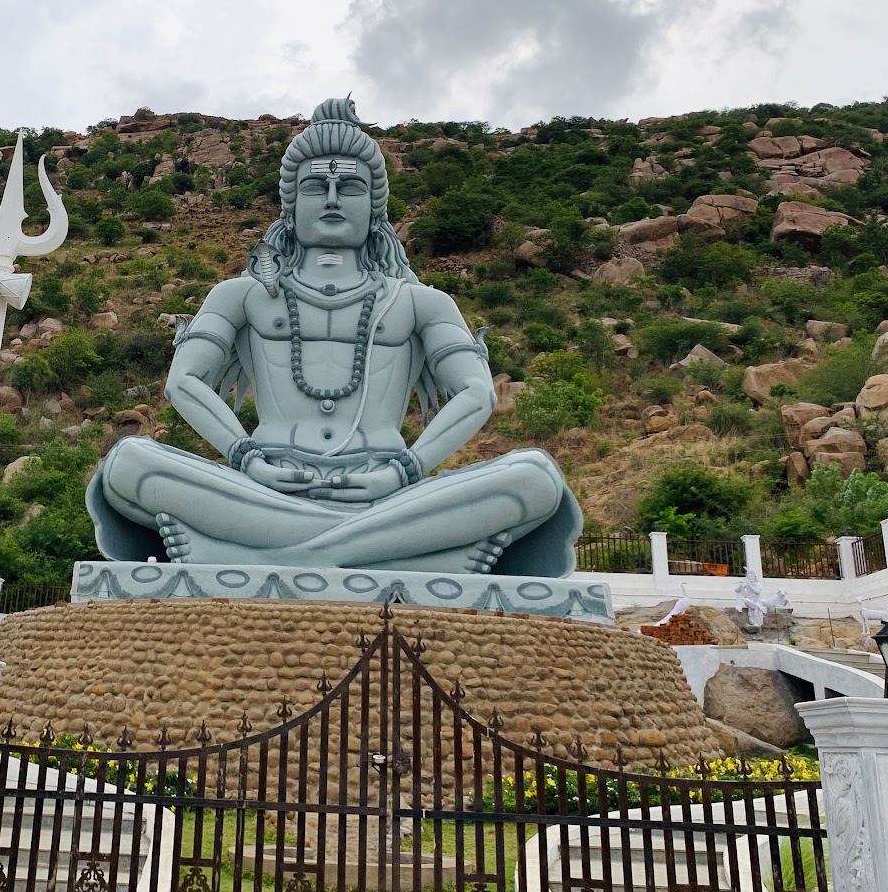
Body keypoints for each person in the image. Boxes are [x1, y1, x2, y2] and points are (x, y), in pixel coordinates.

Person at [86, 96, 582, 576]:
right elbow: (182, 382)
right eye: (313, 187)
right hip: (266, 484)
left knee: (535, 478)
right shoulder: (242, 295)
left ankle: (273, 553)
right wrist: (244, 458)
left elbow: (477, 393)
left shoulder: (420, 302)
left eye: (349, 187)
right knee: (129, 463)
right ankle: (398, 551)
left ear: (374, 206)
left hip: (386, 487)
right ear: (290, 204)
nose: (330, 199)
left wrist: (407, 471)